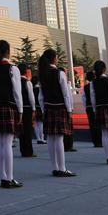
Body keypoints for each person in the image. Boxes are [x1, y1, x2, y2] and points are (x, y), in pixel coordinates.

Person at [0, 40, 23, 188]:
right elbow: (17, 92)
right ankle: (10, 177)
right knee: (7, 143)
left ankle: (3, 177)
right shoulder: (13, 69)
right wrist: (20, 110)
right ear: (7, 51)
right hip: (9, 106)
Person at [38, 49, 76, 177]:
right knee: (59, 139)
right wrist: (69, 110)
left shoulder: (43, 73)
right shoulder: (59, 73)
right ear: (54, 58)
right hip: (59, 108)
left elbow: (41, 96)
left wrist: (44, 109)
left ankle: (55, 167)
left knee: (51, 139)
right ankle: (62, 168)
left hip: (48, 107)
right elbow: (66, 94)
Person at [18, 65, 36, 158]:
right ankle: (29, 151)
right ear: (25, 72)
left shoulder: (16, 83)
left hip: (18, 108)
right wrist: (33, 108)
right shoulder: (27, 82)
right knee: (28, 130)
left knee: (21, 130)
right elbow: (31, 97)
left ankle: (22, 150)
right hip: (27, 108)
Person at [82, 71, 102, 148]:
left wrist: (86, 106)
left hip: (89, 107)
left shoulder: (86, 87)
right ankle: (100, 141)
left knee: (92, 124)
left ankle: (95, 141)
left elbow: (83, 98)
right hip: (97, 107)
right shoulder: (97, 85)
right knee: (99, 124)